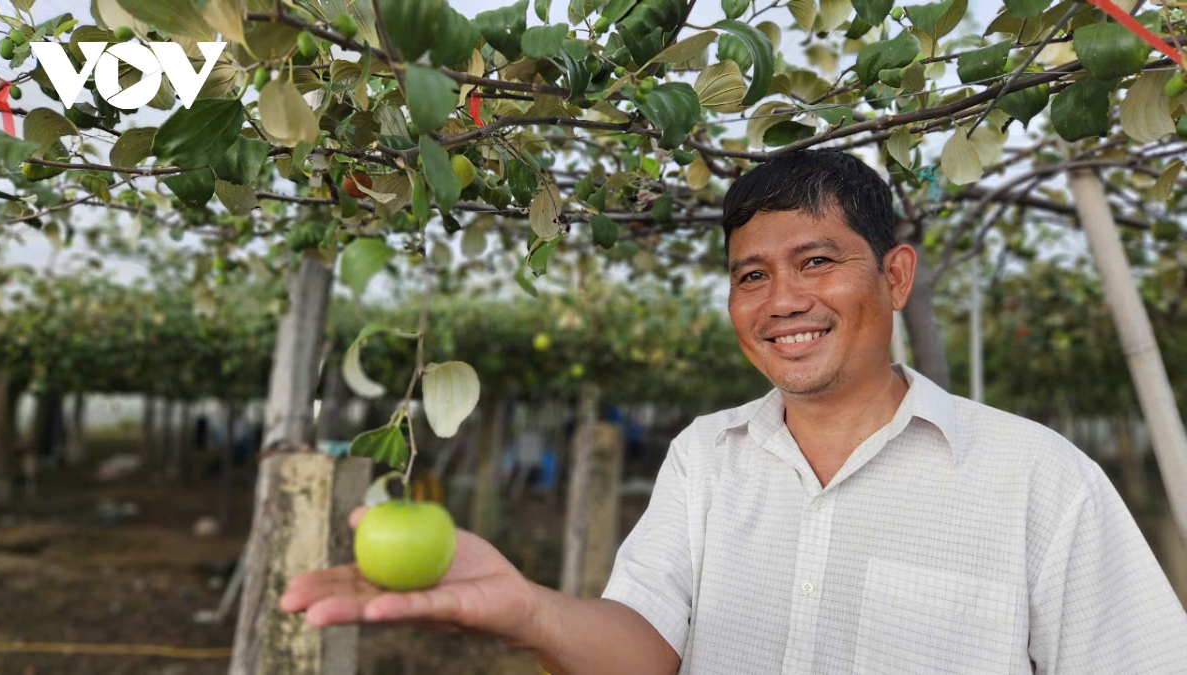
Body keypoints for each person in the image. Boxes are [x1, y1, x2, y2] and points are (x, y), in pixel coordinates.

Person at [279, 149, 1187, 674]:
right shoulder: (706, 456)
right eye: (752, 275)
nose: (782, 298)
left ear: (896, 276)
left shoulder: (1035, 477)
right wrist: (523, 608)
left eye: (818, 261)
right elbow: (651, 645)